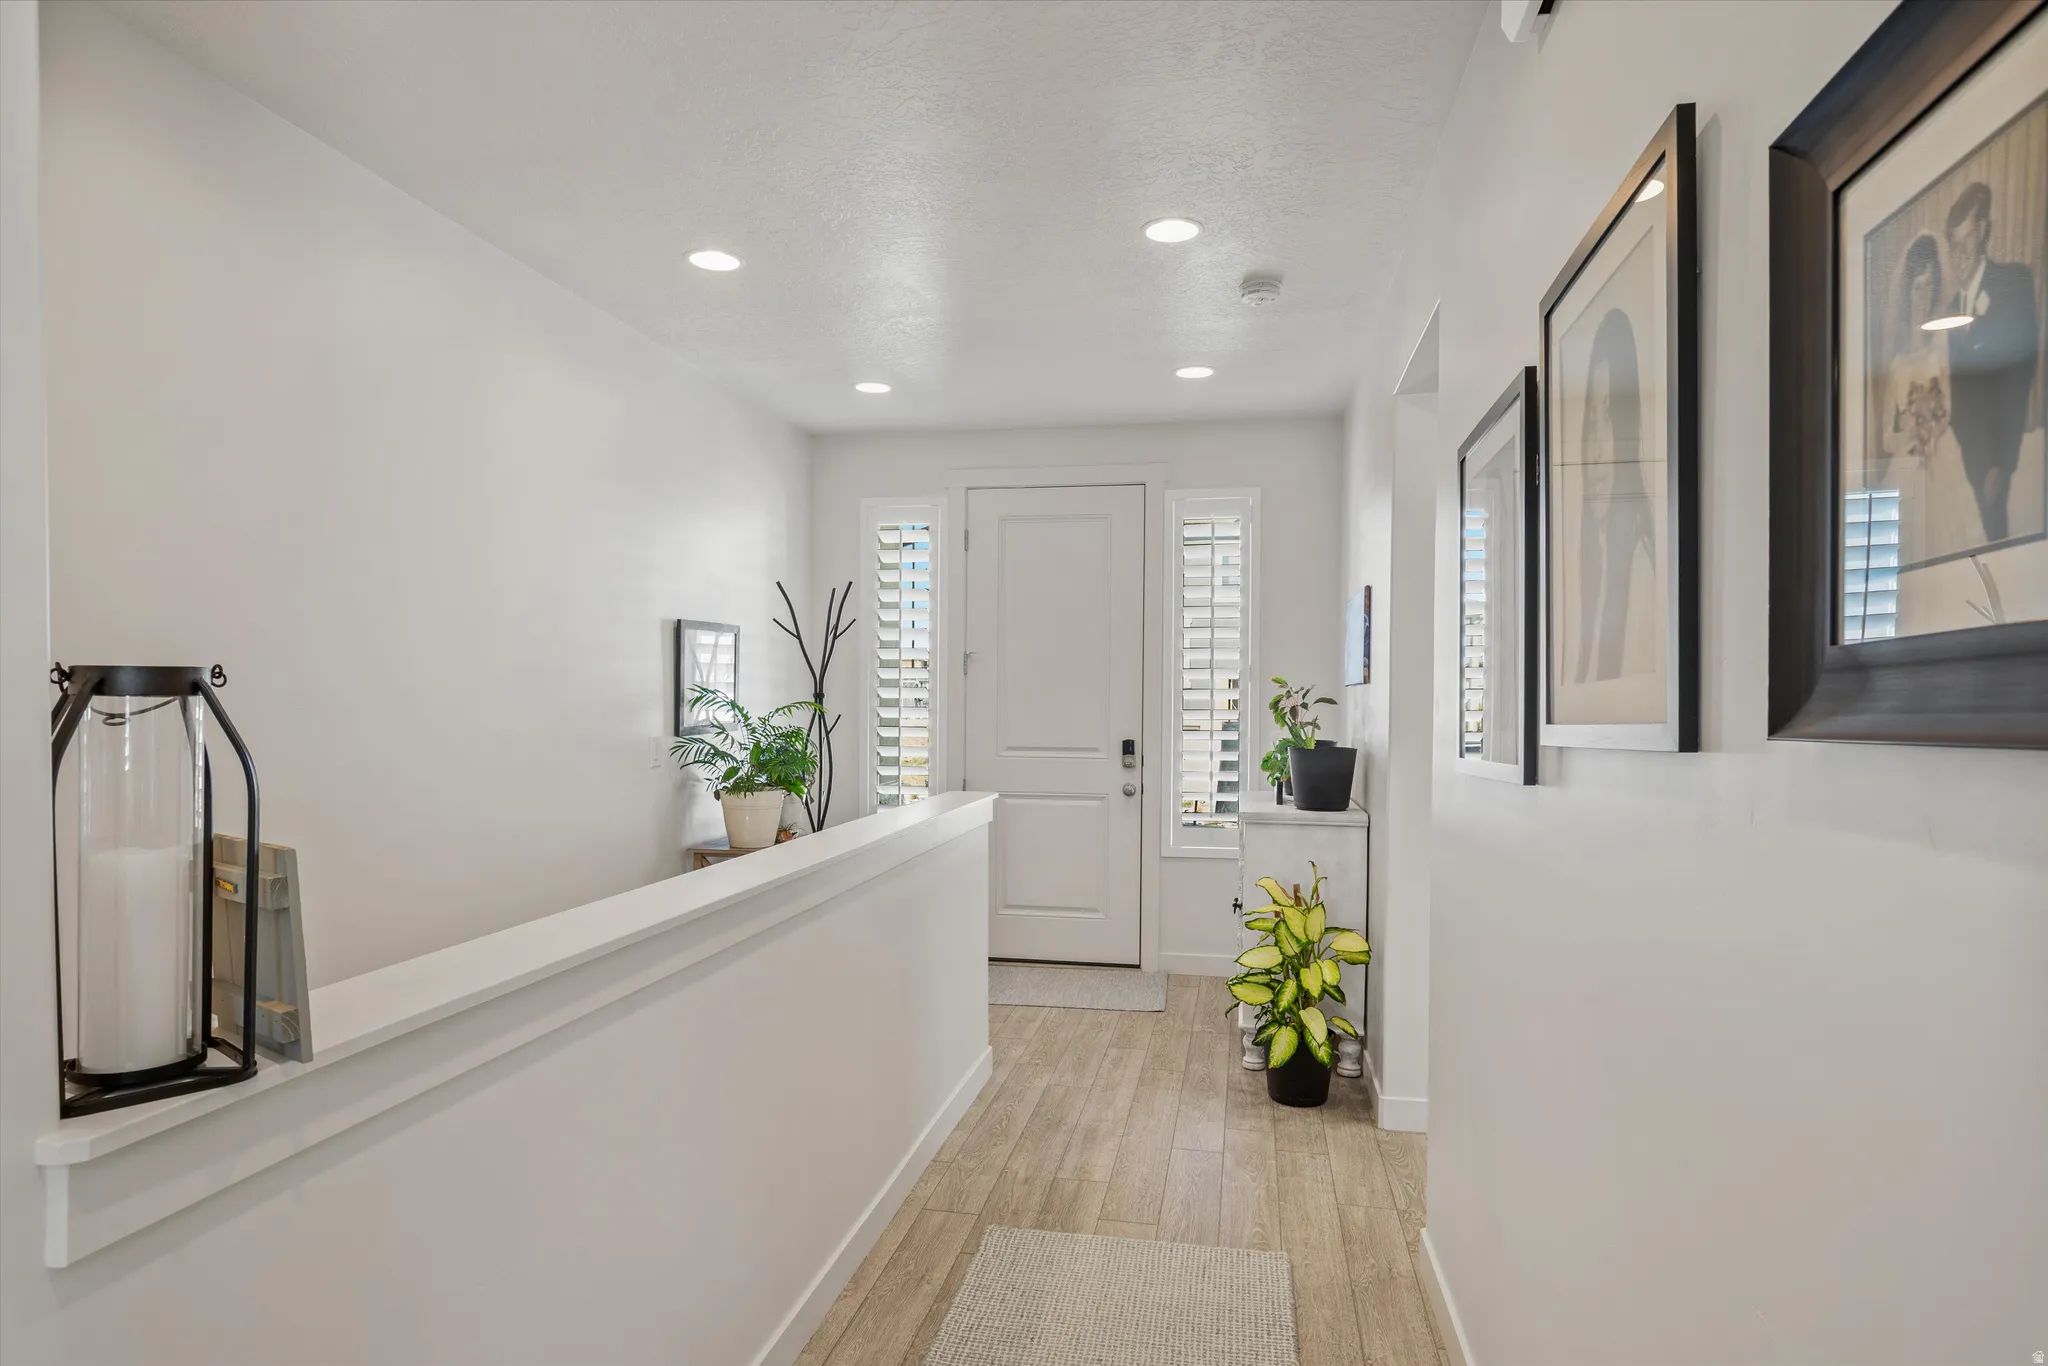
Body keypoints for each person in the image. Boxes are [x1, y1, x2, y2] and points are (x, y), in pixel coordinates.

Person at [1942, 181, 2040, 544]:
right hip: (1970, 453)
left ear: (1983, 232)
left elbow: (2018, 376)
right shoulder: (1952, 308)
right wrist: (1973, 458)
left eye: (1966, 244)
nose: (1960, 258)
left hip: (2002, 452)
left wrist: (2000, 459)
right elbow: (1959, 386)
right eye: (1953, 248)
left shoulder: (2013, 282)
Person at [1880, 232, 1981, 559]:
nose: (1923, 296)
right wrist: (1911, 435)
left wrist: (1933, 431)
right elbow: (1885, 437)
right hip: (1909, 461)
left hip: (1943, 449)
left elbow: (1948, 404)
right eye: (1917, 287)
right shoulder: (1893, 359)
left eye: (1929, 285)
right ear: (1907, 292)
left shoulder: (1941, 343)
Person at [1573, 308, 1656, 685]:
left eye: (1609, 418)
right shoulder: (1593, 563)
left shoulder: (1643, 571)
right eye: (1591, 424)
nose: (1597, 450)